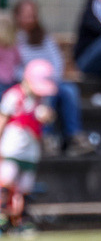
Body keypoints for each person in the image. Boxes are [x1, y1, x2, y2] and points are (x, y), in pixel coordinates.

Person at [12, 0, 97, 156]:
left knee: (69, 90)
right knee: (45, 96)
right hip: (28, 85)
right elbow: (13, 67)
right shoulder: (13, 39)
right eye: (26, 15)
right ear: (17, 16)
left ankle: (74, 136)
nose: (30, 19)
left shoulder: (44, 37)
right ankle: (46, 137)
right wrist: (33, 81)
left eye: (32, 15)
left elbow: (57, 60)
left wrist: (50, 79)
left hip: (51, 81)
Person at [0, 58, 58, 235]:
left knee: (23, 187)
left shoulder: (41, 102)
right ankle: (2, 217)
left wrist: (47, 116)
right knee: (6, 181)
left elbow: (47, 117)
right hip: (12, 148)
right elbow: (2, 119)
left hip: (30, 151)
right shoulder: (14, 96)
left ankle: (18, 220)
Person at [0, 19, 20, 95]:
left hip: (6, 80)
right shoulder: (14, 47)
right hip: (11, 79)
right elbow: (18, 59)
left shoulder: (13, 47)